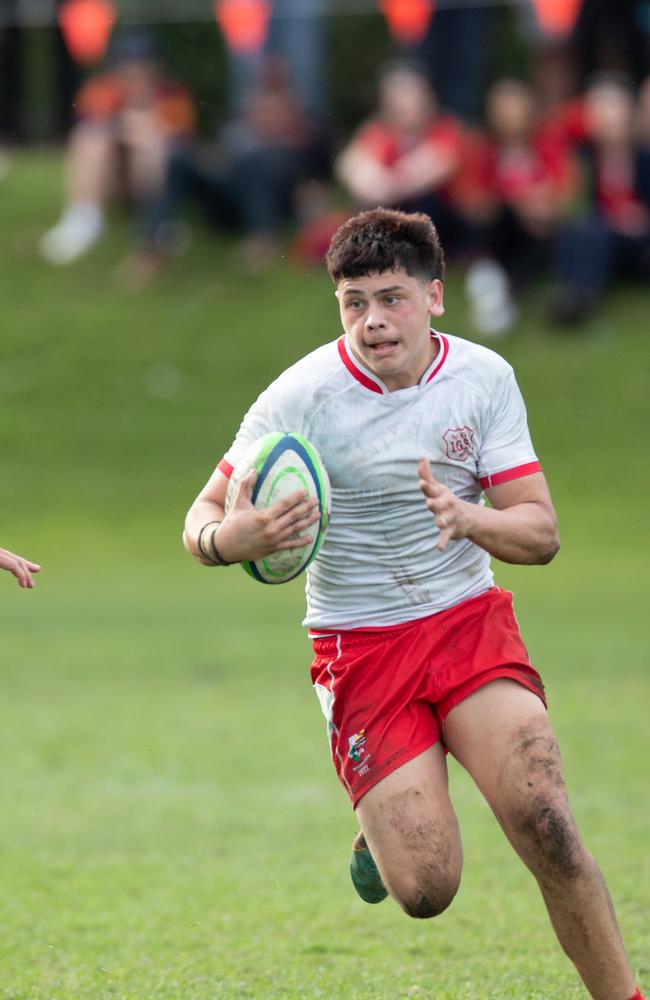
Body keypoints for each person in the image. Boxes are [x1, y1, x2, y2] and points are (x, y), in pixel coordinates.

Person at [183, 208, 643, 1000]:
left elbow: (540, 534)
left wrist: (473, 520)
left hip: (466, 623)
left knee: (549, 826)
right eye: (353, 303)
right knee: (427, 889)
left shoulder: (483, 379)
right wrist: (236, 539)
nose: (372, 322)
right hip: (361, 647)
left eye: (390, 298)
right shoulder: (300, 397)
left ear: (435, 296)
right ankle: (381, 826)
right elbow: (197, 520)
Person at [39, 31, 195, 266]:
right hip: (114, 180)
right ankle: (83, 218)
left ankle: (160, 220)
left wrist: (143, 126)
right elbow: (89, 126)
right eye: (128, 68)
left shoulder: (172, 96)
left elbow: (179, 146)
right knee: (91, 138)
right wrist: (125, 126)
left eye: (142, 67)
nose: (135, 75)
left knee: (151, 142)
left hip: (153, 180)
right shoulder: (102, 91)